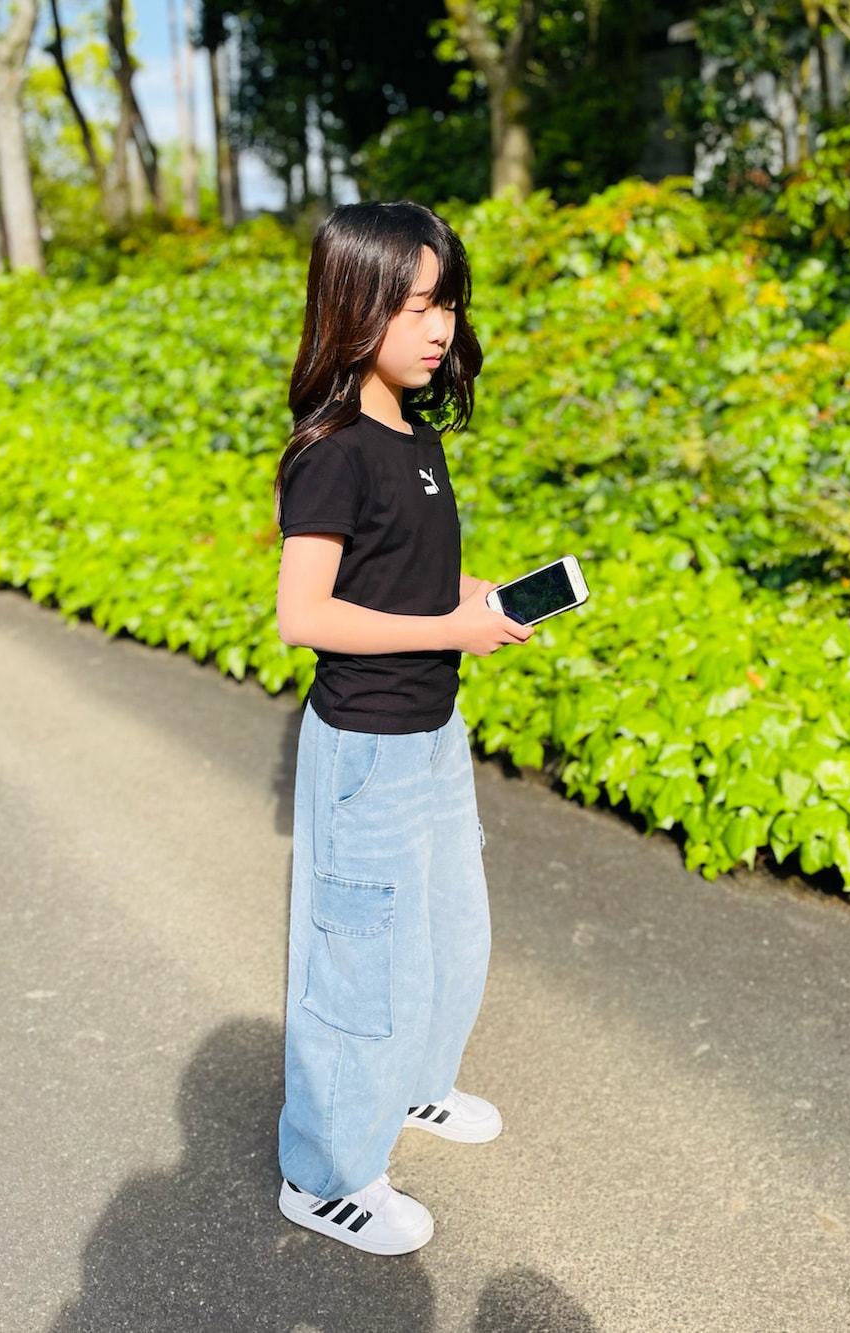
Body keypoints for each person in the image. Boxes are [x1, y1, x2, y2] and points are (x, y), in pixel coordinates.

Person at [274, 201, 533, 1256]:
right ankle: (323, 1174)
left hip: (432, 735)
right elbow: (305, 615)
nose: (440, 327)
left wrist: (470, 597)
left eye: (448, 302)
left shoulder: (415, 437)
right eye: (418, 303)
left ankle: (415, 1087)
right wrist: (446, 627)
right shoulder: (332, 451)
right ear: (357, 305)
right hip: (367, 751)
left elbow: (394, 573)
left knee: (443, 931)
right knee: (360, 961)